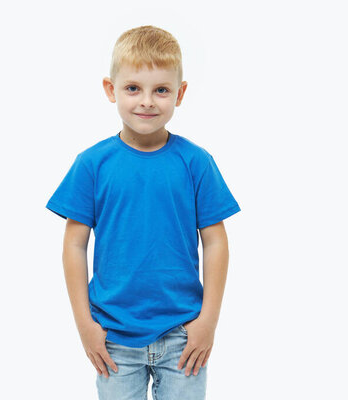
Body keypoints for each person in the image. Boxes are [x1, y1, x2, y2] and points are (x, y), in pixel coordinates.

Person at [45, 25, 241, 400]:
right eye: (133, 88)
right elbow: (74, 245)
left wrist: (208, 322)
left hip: (184, 334)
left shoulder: (197, 163)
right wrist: (84, 324)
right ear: (110, 89)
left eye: (161, 90)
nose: (147, 101)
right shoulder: (92, 164)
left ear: (180, 94)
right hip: (114, 336)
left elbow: (216, 242)